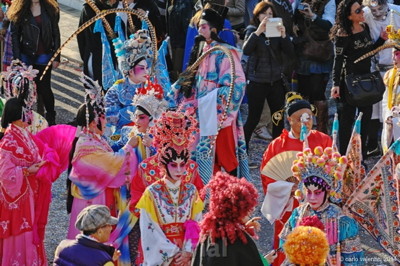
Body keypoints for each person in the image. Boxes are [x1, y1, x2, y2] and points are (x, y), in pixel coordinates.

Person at [0, 65, 75, 266]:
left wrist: (43, 162)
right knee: (21, 229)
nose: (29, 115)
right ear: (17, 114)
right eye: (26, 112)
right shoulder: (8, 141)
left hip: (29, 191)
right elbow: (5, 175)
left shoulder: (23, 134)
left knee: (30, 226)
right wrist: (27, 171)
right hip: (18, 198)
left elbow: (35, 152)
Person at [169, 7, 249, 183]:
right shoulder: (201, 49)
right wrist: (174, 92)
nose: (199, 30)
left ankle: (232, 188)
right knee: (202, 152)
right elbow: (191, 77)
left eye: (203, 26)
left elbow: (236, 84)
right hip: (201, 111)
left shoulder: (226, 52)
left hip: (219, 112)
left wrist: (205, 101)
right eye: (199, 26)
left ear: (214, 29)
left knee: (225, 154)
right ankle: (209, 190)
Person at [260, 92, 332, 265]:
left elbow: (333, 170)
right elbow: (267, 177)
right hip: (288, 206)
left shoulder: (323, 140)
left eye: (309, 117)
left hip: (318, 204)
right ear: (289, 120)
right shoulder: (277, 145)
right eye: (300, 118)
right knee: (287, 246)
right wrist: (289, 188)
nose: (305, 121)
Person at [67, 75, 139, 239]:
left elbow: (110, 150)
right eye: (103, 118)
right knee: (92, 237)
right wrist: (129, 147)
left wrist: (124, 140)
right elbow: (111, 161)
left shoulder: (95, 138)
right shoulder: (86, 144)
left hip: (98, 193)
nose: (106, 121)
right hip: (92, 198)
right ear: (93, 122)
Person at [128, 110, 204, 264]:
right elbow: (137, 203)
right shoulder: (145, 168)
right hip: (156, 238)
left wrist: (188, 250)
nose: (179, 169)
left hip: (186, 245)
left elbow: (199, 207)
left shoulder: (191, 168)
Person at [279, 146, 364, 264]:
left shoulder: (342, 220)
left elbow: (353, 258)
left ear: (328, 192)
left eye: (318, 193)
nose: (312, 198)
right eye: (309, 192)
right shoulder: (298, 214)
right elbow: (284, 244)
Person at [330, 0, 387, 157]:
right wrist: (335, 84)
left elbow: (368, 52)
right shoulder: (343, 33)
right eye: (357, 11)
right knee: (346, 121)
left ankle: (359, 156)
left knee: (365, 119)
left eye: (362, 8)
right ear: (348, 16)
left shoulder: (364, 27)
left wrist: (381, 40)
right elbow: (338, 60)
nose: (362, 12)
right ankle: (344, 157)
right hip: (348, 82)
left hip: (365, 80)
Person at [243, 1, 294, 148]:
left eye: (270, 14)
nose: (267, 16)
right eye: (264, 13)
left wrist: (284, 35)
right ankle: (243, 152)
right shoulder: (252, 30)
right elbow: (246, 50)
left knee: (278, 118)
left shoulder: (276, 32)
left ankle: (277, 151)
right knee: (253, 118)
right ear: (257, 15)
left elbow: (290, 53)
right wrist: (258, 31)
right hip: (257, 82)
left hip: (275, 81)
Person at [192, 171, 264, 265]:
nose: (250, 212)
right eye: (246, 208)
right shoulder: (235, 242)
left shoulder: (209, 235)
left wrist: (243, 228)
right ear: (235, 211)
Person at [8, 0, 60, 125]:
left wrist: (56, 57)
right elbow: (15, 36)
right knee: (25, 89)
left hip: (45, 55)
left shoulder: (50, 8)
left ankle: (51, 117)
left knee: (45, 87)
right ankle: (24, 118)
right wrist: (17, 58)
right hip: (26, 56)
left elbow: (56, 33)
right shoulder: (19, 9)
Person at [363, 0, 400, 156]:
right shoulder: (364, 14)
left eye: (380, 9)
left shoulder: (397, 12)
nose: (377, 12)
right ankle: (374, 144)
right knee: (375, 109)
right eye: (374, 10)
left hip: (396, 69)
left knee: (394, 107)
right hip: (376, 67)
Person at [105, 29, 152, 142]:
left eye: (146, 68)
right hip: (123, 135)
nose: (146, 72)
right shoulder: (116, 90)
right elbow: (110, 116)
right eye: (141, 68)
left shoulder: (150, 87)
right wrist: (136, 111)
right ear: (130, 71)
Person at [54, 205, 121, 265]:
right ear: (99, 231)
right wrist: (107, 261)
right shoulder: (103, 261)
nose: (111, 228)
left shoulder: (62, 246)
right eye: (109, 225)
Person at [77, 0, 118, 88]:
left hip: (113, 54)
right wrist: (86, 55)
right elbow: (81, 35)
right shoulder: (89, 9)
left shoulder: (118, 8)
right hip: (95, 54)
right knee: (94, 88)